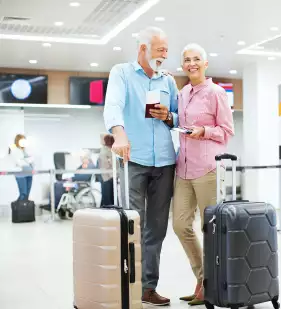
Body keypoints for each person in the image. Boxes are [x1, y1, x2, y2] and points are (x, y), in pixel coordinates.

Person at [103, 26, 178, 307]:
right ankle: (129, 284)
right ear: (143, 49)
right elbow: (113, 104)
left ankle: (148, 287)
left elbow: (180, 116)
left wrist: (168, 115)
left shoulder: (167, 81)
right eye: (160, 50)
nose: (164, 55)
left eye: (166, 50)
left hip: (165, 162)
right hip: (134, 160)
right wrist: (119, 133)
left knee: (156, 229)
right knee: (134, 224)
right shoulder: (121, 73)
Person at [172, 43, 234, 306]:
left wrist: (204, 132)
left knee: (208, 228)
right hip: (183, 169)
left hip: (207, 168)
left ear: (205, 63)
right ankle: (202, 278)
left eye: (197, 59)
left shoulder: (217, 92)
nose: (191, 63)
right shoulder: (183, 92)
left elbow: (227, 131)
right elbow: (181, 123)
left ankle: (209, 284)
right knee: (179, 225)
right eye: (187, 60)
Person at [9, 134, 34, 201]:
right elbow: (20, 163)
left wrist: (26, 160)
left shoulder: (25, 150)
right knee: (23, 194)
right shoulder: (15, 150)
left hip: (29, 173)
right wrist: (27, 160)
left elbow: (32, 160)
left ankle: (24, 210)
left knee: (27, 195)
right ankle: (18, 210)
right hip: (20, 174)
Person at [99, 134, 115, 206]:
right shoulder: (106, 151)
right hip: (107, 178)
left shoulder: (106, 150)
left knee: (106, 198)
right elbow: (106, 165)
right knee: (108, 199)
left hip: (107, 178)